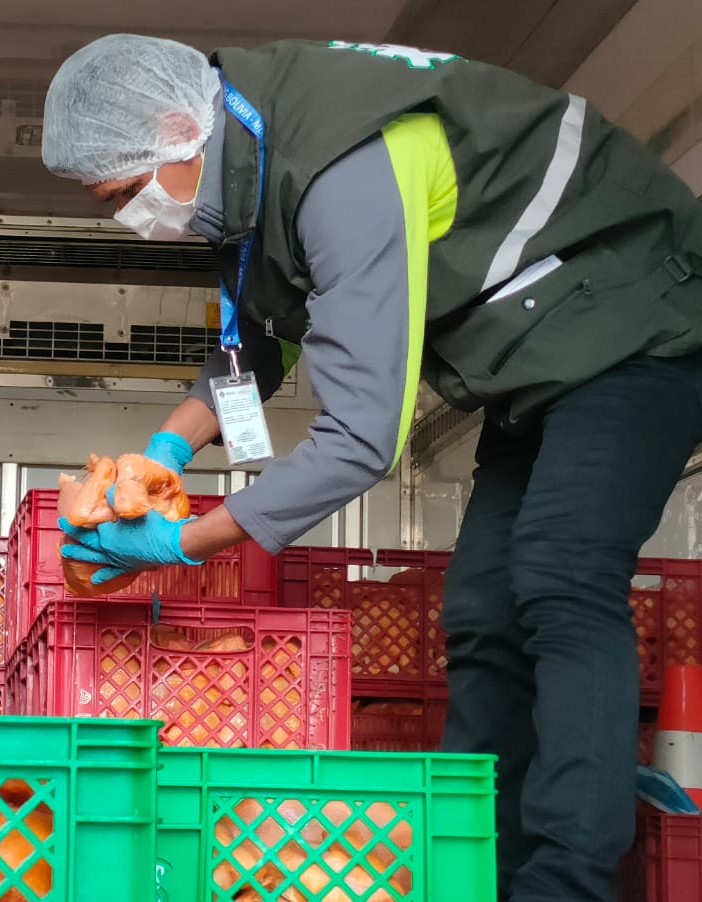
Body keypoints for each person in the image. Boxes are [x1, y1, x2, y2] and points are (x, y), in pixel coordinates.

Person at [42, 33, 702, 902]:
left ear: (175, 127)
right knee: (480, 605)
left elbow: (361, 437)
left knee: (561, 576)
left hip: (634, 321)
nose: (129, 214)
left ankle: (568, 884)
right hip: (538, 361)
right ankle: (482, 866)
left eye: (126, 194)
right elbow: (262, 339)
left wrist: (186, 543)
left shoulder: (339, 166)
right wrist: (165, 448)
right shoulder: (246, 157)